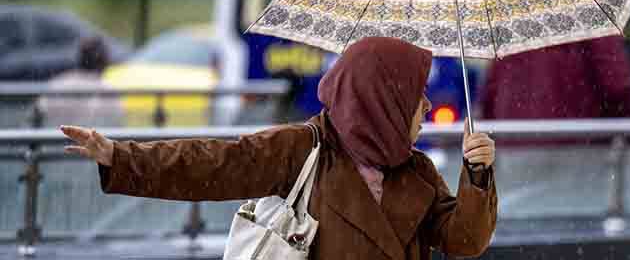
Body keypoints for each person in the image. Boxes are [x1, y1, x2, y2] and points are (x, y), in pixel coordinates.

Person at [61, 37, 498, 259]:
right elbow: (212, 164)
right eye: (413, 94)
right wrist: (120, 157)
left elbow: (464, 240)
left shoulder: (416, 170)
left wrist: (477, 176)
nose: (425, 104)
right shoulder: (304, 148)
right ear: (382, 99)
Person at [480, 35, 630, 146]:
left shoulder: (512, 25)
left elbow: (489, 96)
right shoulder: (589, 19)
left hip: (514, 149)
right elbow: (620, 88)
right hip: (577, 153)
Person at [38, 36, 124, 127]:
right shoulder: (108, 91)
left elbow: (39, 113)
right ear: (104, 62)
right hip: (88, 140)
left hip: (53, 139)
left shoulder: (57, 83)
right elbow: (116, 126)